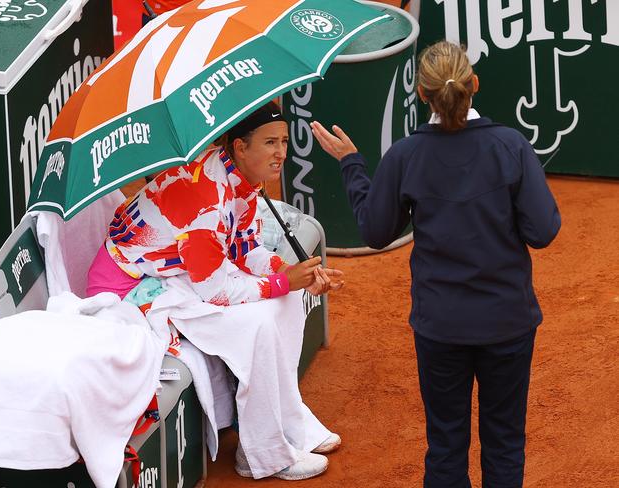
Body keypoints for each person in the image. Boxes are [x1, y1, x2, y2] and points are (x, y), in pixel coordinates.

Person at [311, 40, 561, 487]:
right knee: (504, 442)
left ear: (422, 96)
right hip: (507, 323)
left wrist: (352, 164)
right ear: (474, 85)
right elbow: (543, 231)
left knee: (445, 445)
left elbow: (376, 231)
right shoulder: (511, 146)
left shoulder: (406, 155)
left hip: (440, 327)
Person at [86, 101, 344, 480]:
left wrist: (291, 272)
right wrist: (282, 282)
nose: (281, 153)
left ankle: (290, 421)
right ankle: (263, 454)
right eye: (270, 143)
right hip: (131, 289)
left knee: (284, 302)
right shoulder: (204, 199)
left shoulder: (238, 178)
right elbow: (215, 290)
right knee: (256, 324)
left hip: (173, 273)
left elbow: (246, 250)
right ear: (240, 147)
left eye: (285, 141)